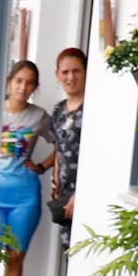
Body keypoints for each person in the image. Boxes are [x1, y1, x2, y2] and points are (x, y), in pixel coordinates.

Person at [0, 60, 52, 276]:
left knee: (15, 256)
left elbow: (63, 143)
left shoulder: (39, 116)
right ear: (9, 82)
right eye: (19, 81)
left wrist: (41, 167)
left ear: (35, 87)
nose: (23, 87)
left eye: (29, 83)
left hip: (25, 196)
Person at [38, 47, 87, 254]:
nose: (70, 77)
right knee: (69, 250)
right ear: (57, 75)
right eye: (65, 72)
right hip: (64, 193)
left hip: (84, 191)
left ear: (85, 71)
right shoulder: (59, 110)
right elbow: (58, 148)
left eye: (76, 71)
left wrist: (81, 194)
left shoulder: (93, 106)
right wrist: (55, 181)